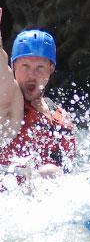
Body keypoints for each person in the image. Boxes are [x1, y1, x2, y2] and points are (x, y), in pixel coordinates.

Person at [0, 15, 76, 179]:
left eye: (40, 67)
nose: (31, 75)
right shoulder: (10, 103)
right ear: (13, 66)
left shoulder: (60, 115)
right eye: (25, 66)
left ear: (51, 68)